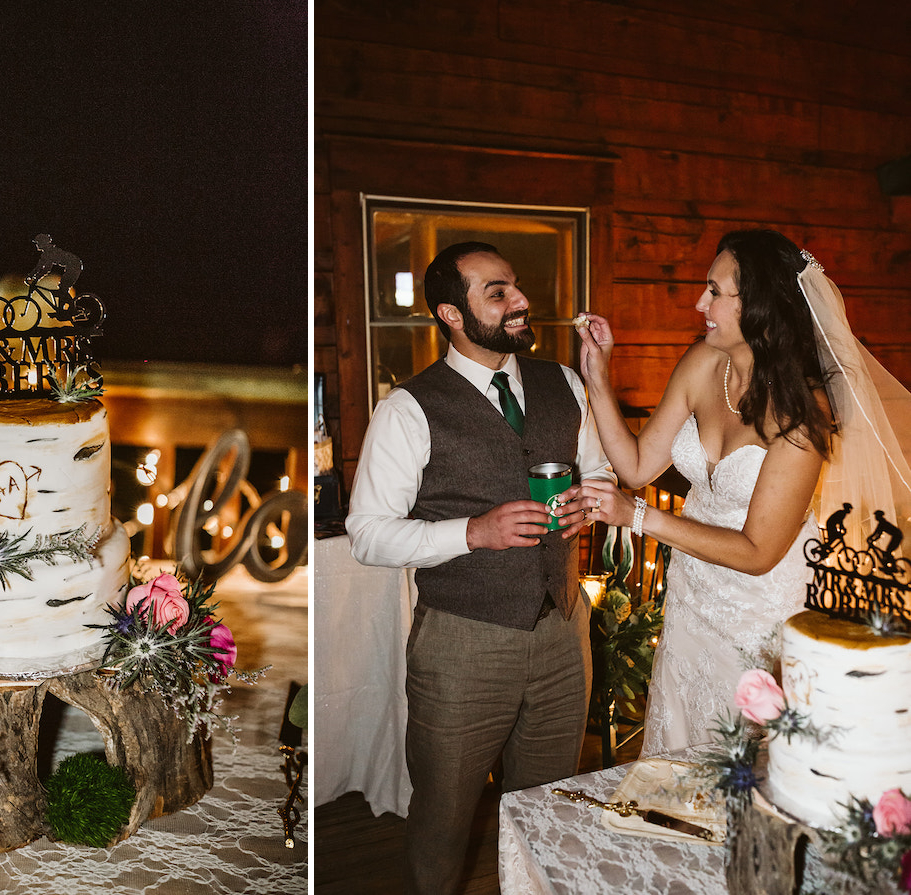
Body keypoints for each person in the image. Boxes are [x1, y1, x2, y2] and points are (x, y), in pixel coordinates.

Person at [573, 228, 911, 756]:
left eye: (714, 291)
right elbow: (637, 466)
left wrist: (638, 518)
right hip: (691, 597)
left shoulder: (801, 414)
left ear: (757, 306)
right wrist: (598, 376)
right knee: (680, 740)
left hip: (760, 610)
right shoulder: (704, 362)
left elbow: (757, 552)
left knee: (743, 756)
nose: (698, 302)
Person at [346, 241, 614, 895]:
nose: (520, 300)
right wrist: (471, 531)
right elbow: (367, 534)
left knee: (545, 808)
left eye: (515, 286)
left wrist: (589, 504)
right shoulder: (408, 408)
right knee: (443, 820)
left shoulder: (565, 384)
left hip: (562, 629)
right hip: (462, 642)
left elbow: (602, 471)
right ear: (451, 313)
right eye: (497, 292)